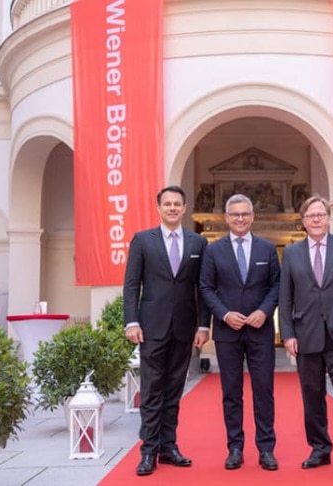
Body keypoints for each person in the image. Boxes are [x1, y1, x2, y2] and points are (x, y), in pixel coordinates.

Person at [278, 195, 333, 476]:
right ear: (303, 222)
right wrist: (288, 334)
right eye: (310, 215)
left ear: (328, 218)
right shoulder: (292, 253)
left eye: (320, 214)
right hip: (307, 337)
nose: (316, 219)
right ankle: (320, 449)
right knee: (312, 397)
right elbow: (285, 297)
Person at [123, 185, 210, 477]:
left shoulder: (198, 243)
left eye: (177, 204)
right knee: (151, 390)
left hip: (184, 328)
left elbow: (204, 288)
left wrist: (203, 324)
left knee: (174, 390)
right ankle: (148, 450)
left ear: (184, 209)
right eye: (167, 204)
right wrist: (131, 321)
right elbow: (132, 285)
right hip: (151, 328)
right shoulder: (142, 240)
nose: (172, 208)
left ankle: (168, 446)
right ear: (158, 208)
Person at [199, 193, 281, 471]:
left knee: (264, 391)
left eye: (245, 213)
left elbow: (276, 286)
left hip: (260, 331)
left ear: (252, 216)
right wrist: (224, 314)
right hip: (227, 332)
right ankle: (235, 448)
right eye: (235, 214)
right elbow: (206, 288)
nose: (240, 218)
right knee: (231, 393)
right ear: (226, 218)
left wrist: (264, 311)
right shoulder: (213, 250)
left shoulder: (267, 249)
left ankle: (266, 448)